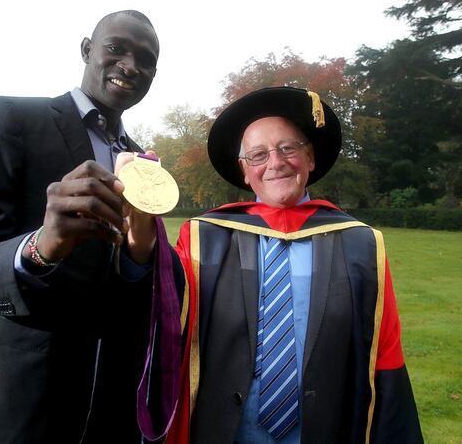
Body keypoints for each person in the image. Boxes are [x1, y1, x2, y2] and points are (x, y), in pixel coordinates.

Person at [0, 10, 183, 443]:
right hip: (28, 404)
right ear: (87, 49)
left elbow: (130, 292)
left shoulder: (141, 163)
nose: (130, 65)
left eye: (146, 59)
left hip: (115, 406)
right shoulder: (12, 119)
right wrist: (41, 245)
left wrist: (139, 256)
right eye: (116, 48)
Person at [164, 87, 423, 443]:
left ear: (311, 157)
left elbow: (385, 352)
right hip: (223, 429)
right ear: (244, 171)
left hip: (325, 429)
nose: (275, 162)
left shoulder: (360, 244)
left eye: (288, 148)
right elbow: (160, 316)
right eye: (258, 155)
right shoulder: (203, 240)